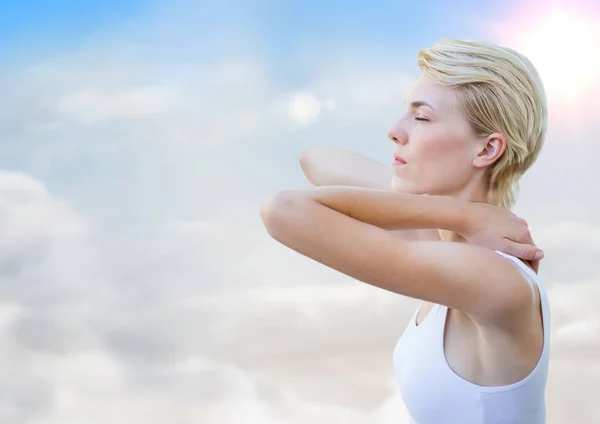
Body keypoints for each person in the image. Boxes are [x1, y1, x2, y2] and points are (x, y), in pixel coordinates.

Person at [260, 38, 550, 424]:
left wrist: (460, 217)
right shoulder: (438, 235)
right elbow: (316, 161)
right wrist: (461, 215)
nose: (395, 131)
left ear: (486, 151)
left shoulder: (494, 276)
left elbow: (284, 210)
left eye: (422, 117)